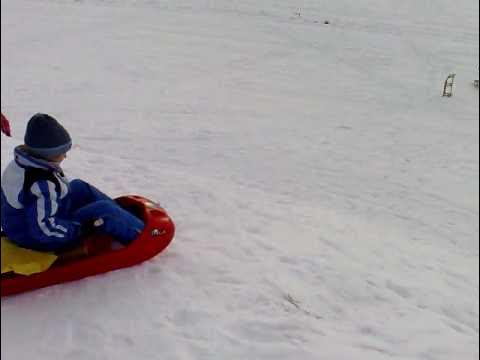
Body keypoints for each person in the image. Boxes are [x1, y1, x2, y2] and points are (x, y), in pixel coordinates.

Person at [0, 113, 144, 252]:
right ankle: (142, 236)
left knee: (80, 187)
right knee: (103, 211)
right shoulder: (41, 183)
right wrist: (81, 228)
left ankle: (124, 217)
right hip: (37, 239)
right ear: (49, 154)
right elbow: (43, 229)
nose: (66, 156)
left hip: (22, 223)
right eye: (63, 152)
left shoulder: (23, 164)